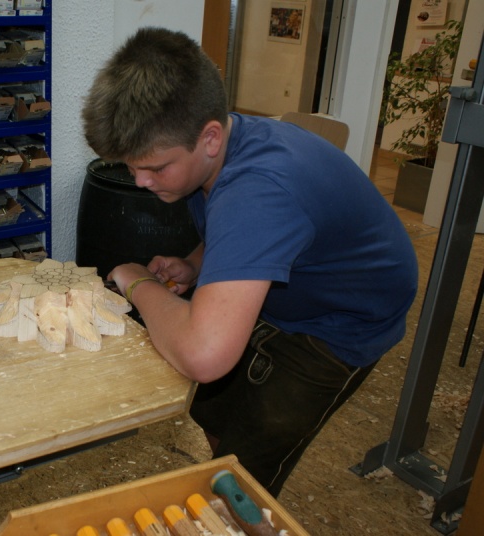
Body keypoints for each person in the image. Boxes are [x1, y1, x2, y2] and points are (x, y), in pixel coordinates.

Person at [81, 27, 418, 497]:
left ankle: (235, 506)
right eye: (131, 167)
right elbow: (237, 230)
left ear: (210, 138)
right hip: (293, 285)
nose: (140, 182)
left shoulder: (257, 192)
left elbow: (205, 354)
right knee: (212, 412)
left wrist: (136, 281)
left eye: (155, 168)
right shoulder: (222, 145)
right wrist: (197, 264)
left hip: (339, 323)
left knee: (243, 475)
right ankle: (223, 468)